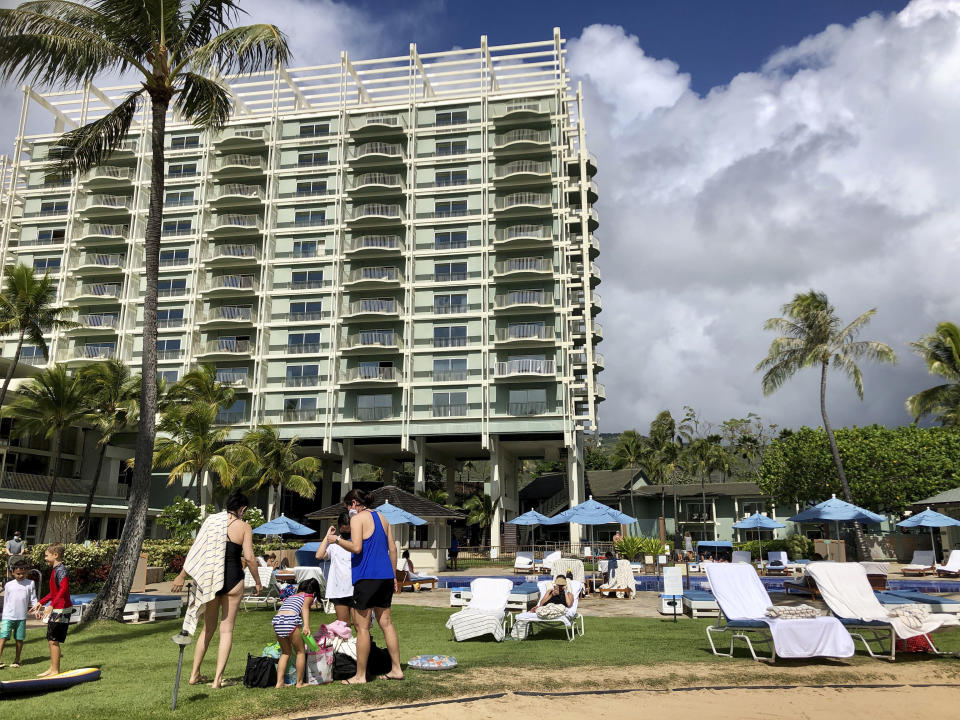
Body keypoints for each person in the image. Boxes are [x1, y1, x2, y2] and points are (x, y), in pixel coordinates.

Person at [171, 491, 261, 689]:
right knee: (226, 630)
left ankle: (194, 674)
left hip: (211, 580)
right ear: (243, 509)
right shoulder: (244, 527)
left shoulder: (211, 522)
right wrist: (258, 582)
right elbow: (249, 558)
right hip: (234, 580)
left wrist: (181, 575)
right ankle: (217, 680)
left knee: (208, 629)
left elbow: (197, 550)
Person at [328, 489, 403, 684]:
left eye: (347, 506)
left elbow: (357, 547)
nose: (348, 510)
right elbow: (393, 549)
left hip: (367, 577)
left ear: (354, 503)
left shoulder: (357, 519)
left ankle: (360, 675)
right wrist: (393, 575)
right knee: (386, 624)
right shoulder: (382, 517)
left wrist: (336, 540)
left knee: (361, 628)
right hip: (386, 576)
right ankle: (396, 669)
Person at [31, 542, 71, 678]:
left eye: (46, 556)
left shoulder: (61, 570)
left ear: (55, 555)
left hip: (62, 609)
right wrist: (41, 602)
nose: (45, 558)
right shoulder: (56, 570)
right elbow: (54, 592)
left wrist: (52, 605)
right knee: (51, 639)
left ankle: (55, 670)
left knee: (54, 639)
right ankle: (52, 668)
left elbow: (63, 589)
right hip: (58, 607)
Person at [271, 578, 320, 688]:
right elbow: (305, 608)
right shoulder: (308, 596)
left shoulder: (291, 596)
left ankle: (279, 683)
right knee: (300, 652)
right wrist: (306, 625)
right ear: (314, 590)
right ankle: (299, 683)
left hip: (277, 621)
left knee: (285, 652)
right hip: (291, 621)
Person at [316, 512, 354, 625]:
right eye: (344, 529)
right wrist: (327, 536)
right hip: (339, 589)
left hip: (356, 588)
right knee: (343, 624)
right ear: (339, 528)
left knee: (360, 625)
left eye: (349, 530)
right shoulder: (334, 544)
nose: (347, 532)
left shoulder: (357, 542)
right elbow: (319, 555)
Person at [0, 558, 36, 669]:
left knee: (19, 639)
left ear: (26, 572)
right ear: (13, 573)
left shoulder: (30, 583)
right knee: (3, 637)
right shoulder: (9, 585)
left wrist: (37, 609)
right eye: (18, 574)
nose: (20, 575)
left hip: (21, 617)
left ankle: (17, 660)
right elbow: (6, 601)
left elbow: (33, 599)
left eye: (23, 573)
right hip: (8, 616)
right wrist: (3, 614)